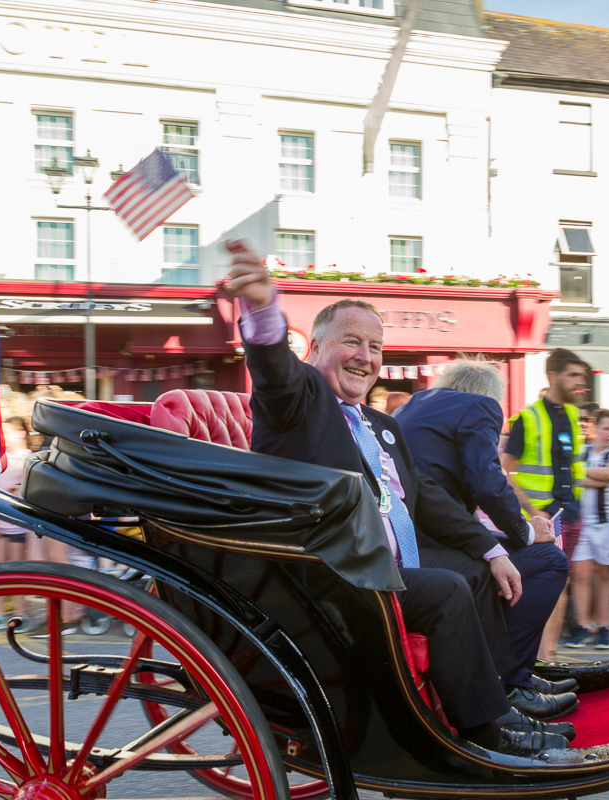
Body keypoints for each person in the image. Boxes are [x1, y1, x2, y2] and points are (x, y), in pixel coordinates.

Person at [222, 240, 569, 754]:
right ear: (315, 348)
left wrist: (492, 549)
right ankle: (484, 731)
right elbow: (274, 369)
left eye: (376, 347)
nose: (365, 357)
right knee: (450, 589)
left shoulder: (382, 424)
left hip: (386, 561)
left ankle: (500, 693)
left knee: (479, 569)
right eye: (351, 342)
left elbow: (426, 500)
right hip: (333, 574)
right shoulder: (300, 400)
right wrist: (263, 310)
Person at [393, 358, 578, 718]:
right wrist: (526, 530)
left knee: (514, 553)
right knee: (549, 561)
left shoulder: (414, 405)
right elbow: (488, 482)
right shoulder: (480, 406)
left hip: (414, 537)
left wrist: (514, 532)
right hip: (431, 544)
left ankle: (517, 671)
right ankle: (512, 681)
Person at [501, 348, 588, 661]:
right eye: (573, 375)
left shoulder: (576, 415)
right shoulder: (527, 418)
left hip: (569, 515)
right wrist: (534, 511)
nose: (580, 382)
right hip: (543, 519)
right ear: (554, 376)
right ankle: (540, 659)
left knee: (562, 585)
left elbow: (574, 467)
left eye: (582, 376)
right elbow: (506, 471)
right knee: (549, 585)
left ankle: (545, 657)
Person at [564, 409, 609, 650]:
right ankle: (582, 626)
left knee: (604, 574)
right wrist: (591, 477)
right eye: (607, 428)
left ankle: (603, 626)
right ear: (596, 428)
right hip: (581, 521)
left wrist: (579, 474)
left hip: (606, 522)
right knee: (580, 573)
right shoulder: (583, 451)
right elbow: (589, 478)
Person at [0, 417, 33, 631]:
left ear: (21, 433)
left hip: (18, 521)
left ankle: (20, 613)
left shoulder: (29, 458)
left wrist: (19, 487)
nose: (4, 436)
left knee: (16, 571)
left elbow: (32, 489)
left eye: (9, 432)